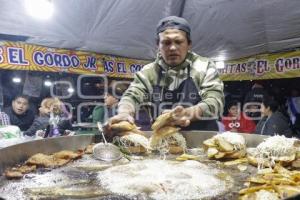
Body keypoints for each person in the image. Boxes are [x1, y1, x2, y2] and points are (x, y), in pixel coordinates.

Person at [107, 16, 224, 131]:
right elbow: (132, 95)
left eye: (178, 42)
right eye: (166, 43)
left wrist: (188, 113)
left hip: (201, 140)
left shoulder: (204, 66)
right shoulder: (148, 72)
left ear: (189, 44)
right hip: (162, 141)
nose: (172, 47)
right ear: (158, 45)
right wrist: (124, 112)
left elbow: (215, 101)